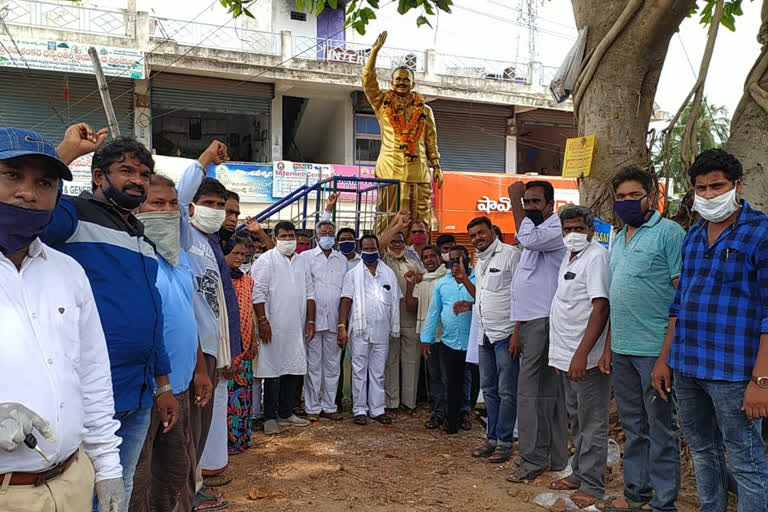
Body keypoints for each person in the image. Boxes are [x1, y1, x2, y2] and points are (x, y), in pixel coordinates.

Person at [42, 124, 179, 509]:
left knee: (121, 487)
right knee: (82, 492)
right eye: (127, 171)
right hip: (91, 394)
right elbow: (32, 210)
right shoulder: (72, 215)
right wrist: (66, 153)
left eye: (144, 175)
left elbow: (153, 318)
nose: (137, 181)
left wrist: (163, 386)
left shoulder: (141, 236)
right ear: (99, 176)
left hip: (137, 390)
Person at [0, 127, 124, 512]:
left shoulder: (68, 272)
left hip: (72, 480)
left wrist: (107, 468)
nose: (28, 193)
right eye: (12, 175)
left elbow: (92, 375)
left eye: (45, 183)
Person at [653, 149, 768, 512]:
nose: (708, 195)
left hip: (735, 374)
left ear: (738, 185)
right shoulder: (694, 234)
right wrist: (665, 359)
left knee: (747, 462)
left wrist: (761, 381)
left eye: (716, 186)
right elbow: (679, 304)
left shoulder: (761, 234)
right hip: (688, 368)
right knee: (703, 452)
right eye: (700, 188)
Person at [597, 167, 684, 512]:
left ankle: (664, 503)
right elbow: (617, 299)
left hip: (654, 352)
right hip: (622, 351)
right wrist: (608, 348)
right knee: (634, 427)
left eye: (635, 195)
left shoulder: (669, 233)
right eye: (621, 197)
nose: (628, 202)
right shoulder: (618, 238)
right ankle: (637, 493)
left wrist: (665, 358)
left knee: (661, 429)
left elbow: (682, 299)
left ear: (652, 195)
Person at [129, 174, 214, 512]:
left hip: (179, 386)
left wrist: (199, 370)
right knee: (139, 477)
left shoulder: (179, 259)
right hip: (145, 391)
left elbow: (187, 318)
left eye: (172, 205)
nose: (166, 211)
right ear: (138, 209)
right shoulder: (132, 257)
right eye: (156, 203)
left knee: (175, 472)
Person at [175, 142, 233, 510]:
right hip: (191, 351)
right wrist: (204, 161)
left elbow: (216, 306)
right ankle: (186, 492)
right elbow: (180, 199)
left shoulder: (209, 246)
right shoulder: (183, 234)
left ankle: (194, 485)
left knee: (199, 427)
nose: (216, 212)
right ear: (193, 208)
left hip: (210, 349)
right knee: (188, 428)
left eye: (221, 207)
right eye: (209, 204)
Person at [542, 206, 610, 508]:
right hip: (565, 356)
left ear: (591, 230)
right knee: (577, 420)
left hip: (586, 359)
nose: (572, 235)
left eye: (578, 229)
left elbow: (600, 307)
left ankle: (593, 485)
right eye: (567, 229)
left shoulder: (596, 258)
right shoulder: (568, 257)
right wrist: (561, 356)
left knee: (592, 423)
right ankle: (579, 473)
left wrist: (582, 355)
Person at [506, 180, 568, 482]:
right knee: (542, 394)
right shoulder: (535, 231)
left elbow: (527, 240)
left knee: (532, 394)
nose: (529, 207)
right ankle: (550, 458)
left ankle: (533, 460)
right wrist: (518, 328)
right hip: (532, 321)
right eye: (526, 201)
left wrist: (514, 201)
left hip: (544, 320)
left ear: (549, 205)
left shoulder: (553, 230)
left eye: (534, 202)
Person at [362, 31, 442, 232]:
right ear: (392, 83)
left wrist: (437, 167)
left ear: (413, 84)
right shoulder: (382, 103)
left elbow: (430, 142)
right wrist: (374, 53)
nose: (402, 82)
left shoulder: (425, 110)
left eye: (406, 80)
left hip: (419, 171)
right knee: (389, 217)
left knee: (421, 218)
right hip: (390, 170)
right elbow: (368, 82)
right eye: (398, 79)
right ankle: (385, 251)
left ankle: (420, 256)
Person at [460, 216, 521, 463]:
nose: (477, 238)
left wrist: (518, 332)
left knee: (508, 391)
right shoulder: (479, 260)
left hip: (506, 335)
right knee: (489, 390)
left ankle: (506, 441)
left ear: (492, 231)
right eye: (473, 235)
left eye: (481, 233)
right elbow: (484, 296)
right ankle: (492, 438)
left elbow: (521, 295)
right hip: (484, 334)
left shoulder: (511, 255)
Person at [252, 221, 316, 435]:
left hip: (296, 326)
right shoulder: (266, 260)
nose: (288, 240)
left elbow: (309, 292)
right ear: (275, 237)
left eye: (291, 236)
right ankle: (269, 416)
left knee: (293, 368)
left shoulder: (301, 261)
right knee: (272, 370)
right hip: (272, 325)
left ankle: (286, 412)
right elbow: (258, 293)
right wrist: (263, 321)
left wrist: (311, 321)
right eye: (284, 236)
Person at [338, 235, 402, 425]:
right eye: (365, 249)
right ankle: (359, 410)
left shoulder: (388, 273)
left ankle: (377, 409)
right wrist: (342, 325)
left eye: (372, 248)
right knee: (359, 370)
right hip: (360, 331)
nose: (370, 252)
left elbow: (395, 302)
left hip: (382, 331)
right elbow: (346, 301)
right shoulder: (353, 274)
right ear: (360, 250)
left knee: (378, 372)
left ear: (378, 249)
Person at [420, 245, 476, 434]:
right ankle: (448, 416)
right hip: (449, 341)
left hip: (473, 341)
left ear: (467, 259)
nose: (455, 264)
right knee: (449, 379)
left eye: (459, 259)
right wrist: (426, 339)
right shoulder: (443, 283)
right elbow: (434, 311)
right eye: (451, 260)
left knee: (468, 379)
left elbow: (484, 301)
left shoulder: (479, 279)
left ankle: (465, 412)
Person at [301, 219, 347, 422]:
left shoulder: (342, 260)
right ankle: (312, 407)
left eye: (330, 233)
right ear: (317, 236)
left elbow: (346, 291)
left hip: (335, 320)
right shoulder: (306, 257)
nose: (327, 236)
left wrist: (343, 323)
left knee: (333, 365)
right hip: (312, 320)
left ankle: (330, 406)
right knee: (313, 365)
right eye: (323, 233)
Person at [380, 213, 424, 414]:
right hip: (389, 321)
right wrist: (397, 226)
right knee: (390, 362)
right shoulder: (382, 260)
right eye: (394, 241)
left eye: (400, 242)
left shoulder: (413, 263)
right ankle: (391, 402)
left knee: (411, 363)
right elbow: (381, 242)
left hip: (409, 319)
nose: (396, 245)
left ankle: (409, 403)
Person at [405, 245, 448, 429]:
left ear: (439, 258)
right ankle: (438, 412)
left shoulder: (448, 278)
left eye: (432, 256)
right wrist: (409, 284)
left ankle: (456, 413)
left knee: (451, 377)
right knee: (435, 377)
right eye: (425, 257)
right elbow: (411, 307)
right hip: (429, 337)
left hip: (448, 337)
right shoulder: (421, 280)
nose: (429, 260)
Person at [223, 233, 257, 455]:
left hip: (245, 347)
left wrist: (252, 341)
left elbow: (248, 312)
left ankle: (243, 438)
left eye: (243, 254)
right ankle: (227, 443)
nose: (239, 258)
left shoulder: (246, 280)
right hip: (227, 348)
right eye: (235, 253)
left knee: (245, 395)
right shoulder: (220, 279)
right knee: (228, 399)